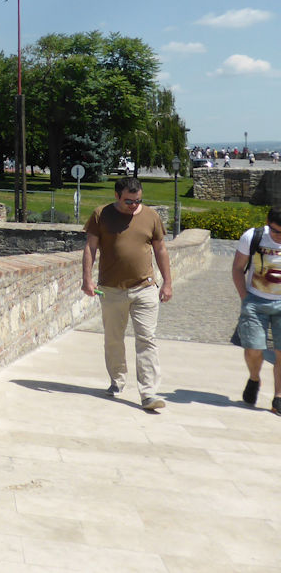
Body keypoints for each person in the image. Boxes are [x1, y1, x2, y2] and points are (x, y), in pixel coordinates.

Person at [81, 176, 174, 411]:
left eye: (137, 201)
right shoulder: (101, 215)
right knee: (113, 339)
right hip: (111, 289)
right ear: (116, 196)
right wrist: (87, 279)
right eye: (128, 201)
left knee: (147, 340)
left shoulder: (151, 216)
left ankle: (149, 393)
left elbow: (161, 249)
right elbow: (90, 247)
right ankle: (117, 380)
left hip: (144, 288)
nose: (133, 205)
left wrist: (167, 283)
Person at [231, 207, 281, 413]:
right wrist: (245, 297)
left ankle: (278, 397)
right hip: (255, 300)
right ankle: (254, 379)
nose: (280, 237)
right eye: (277, 232)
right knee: (254, 349)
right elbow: (237, 268)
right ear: (268, 224)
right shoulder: (253, 237)